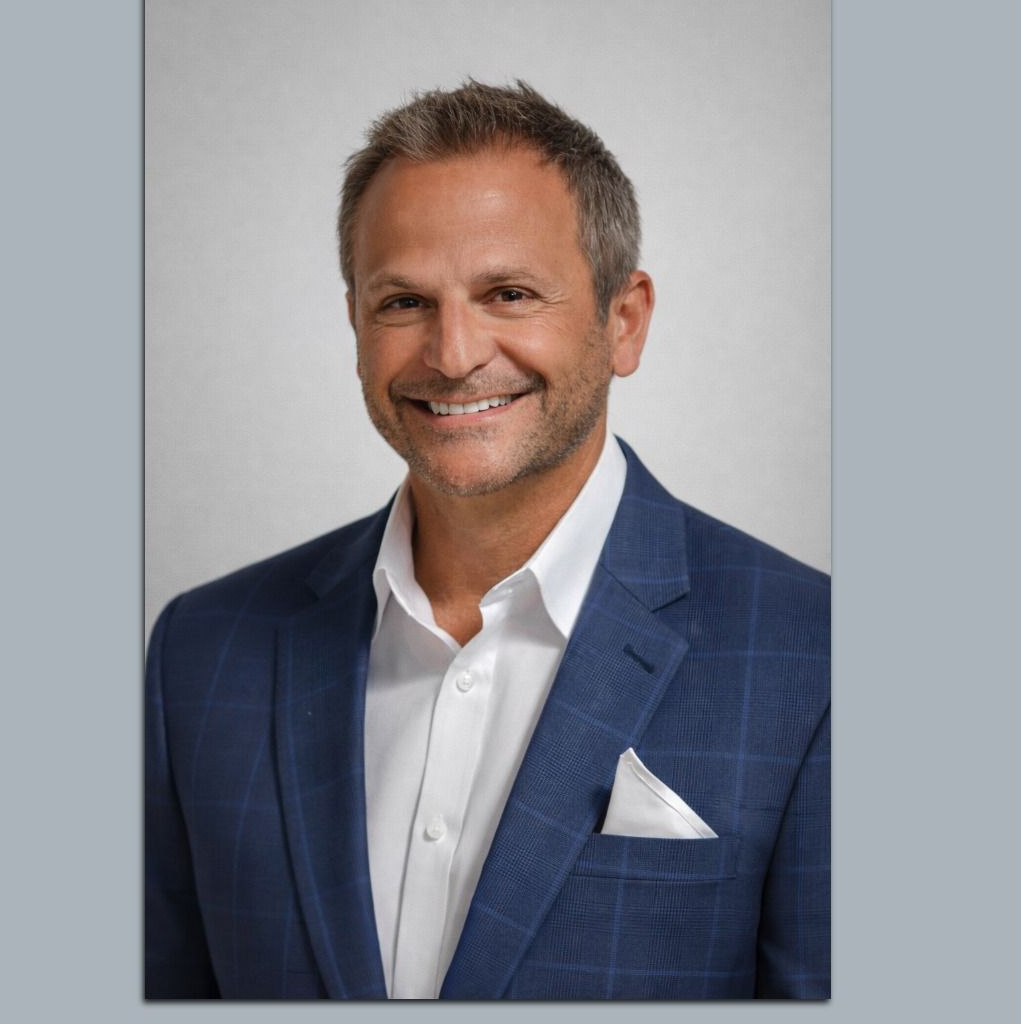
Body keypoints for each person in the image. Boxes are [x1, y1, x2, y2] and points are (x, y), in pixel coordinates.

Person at [145, 80, 828, 1000]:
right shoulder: (202, 653)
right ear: (355, 324)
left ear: (623, 322)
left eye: (508, 294)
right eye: (403, 302)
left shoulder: (814, 658)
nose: (454, 353)